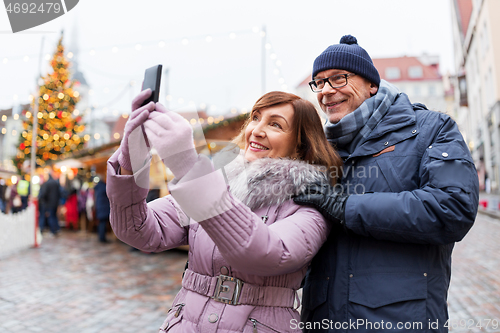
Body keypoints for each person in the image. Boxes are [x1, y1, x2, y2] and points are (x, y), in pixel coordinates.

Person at [107, 90, 343, 332]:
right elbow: (137, 230)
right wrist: (131, 157)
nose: (257, 130)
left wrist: (187, 165)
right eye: (255, 118)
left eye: (275, 124)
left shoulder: (312, 202)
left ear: (301, 144)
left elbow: (264, 254)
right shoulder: (219, 181)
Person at [293, 35, 480, 332]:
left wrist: (346, 206)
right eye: (319, 82)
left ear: (371, 85)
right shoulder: (319, 151)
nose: (326, 91)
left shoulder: (431, 129)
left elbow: (453, 208)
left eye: (338, 79)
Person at [38, 169, 61, 236]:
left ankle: (53, 231)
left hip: (49, 203)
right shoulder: (55, 183)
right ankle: (57, 229)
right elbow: (59, 192)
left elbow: (44, 194)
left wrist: (43, 200)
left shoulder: (47, 183)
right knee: (54, 216)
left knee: (51, 217)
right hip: (56, 203)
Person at [93, 175, 111, 243]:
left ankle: (101, 237)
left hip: (99, 207)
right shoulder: (104, 187)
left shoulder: (97, 188)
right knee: (103, 223)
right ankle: (102, 238)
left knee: (101, 222)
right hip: (104, 207)